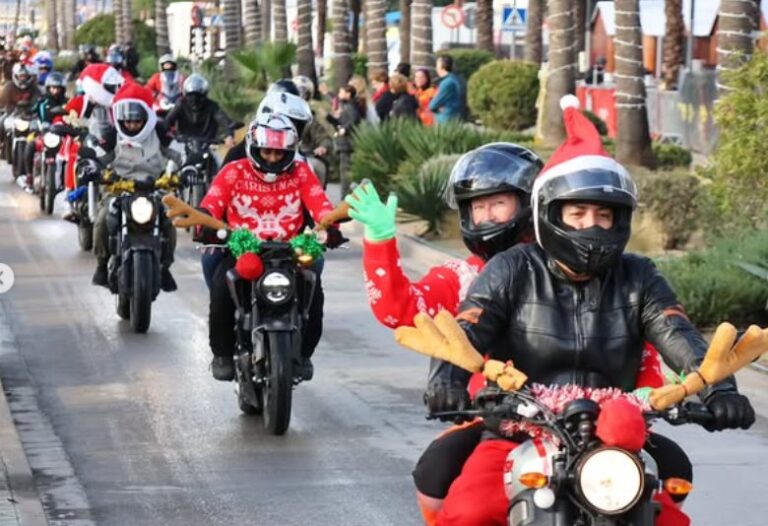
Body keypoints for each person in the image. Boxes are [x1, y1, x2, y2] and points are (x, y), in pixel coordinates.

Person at [426, 97, 755, 526]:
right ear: (550, 215)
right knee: (470, 512)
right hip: (518, 430)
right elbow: (467, 330)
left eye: (603, 214)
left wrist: (720, 392)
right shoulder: (512, 268)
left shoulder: (639, 276)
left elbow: (680, 336)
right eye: (577, 213)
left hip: (616, 437)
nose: (591, 225)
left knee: (669, 519)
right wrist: (446, 383)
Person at [346, 141, 665, 524]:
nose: (485, 217)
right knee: (438, 476)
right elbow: (403, 313)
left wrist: (656, 393)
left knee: (672, 480)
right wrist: (380, 241)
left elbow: (643, 337)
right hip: (500, 415)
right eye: (477, 206)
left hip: (607, 420)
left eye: (497, 204)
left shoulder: (616, 273)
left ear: (532, 203)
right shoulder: (463, 275)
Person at [200, 113, 340, 381]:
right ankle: (222, 354)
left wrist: (330, 226)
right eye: (267, 151)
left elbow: (320, 203)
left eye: (280, 153)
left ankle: (304, 354)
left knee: (314, 293)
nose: (273, 158)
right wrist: (205, 222)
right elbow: (212, 201)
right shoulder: (233, 171)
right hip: (243, 251)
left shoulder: (301, 172)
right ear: (254, 147)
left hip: (290, 252)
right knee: (221, 289)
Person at [87, 83, 180, 291]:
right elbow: (100, 157)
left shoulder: (159, 131)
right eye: (127, 121)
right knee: (102, 220)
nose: (131, 125)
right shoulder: (113, 135)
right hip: (119, 189)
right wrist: (92, 166)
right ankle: (101, 265)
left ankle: (165, 267)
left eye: (136, 120)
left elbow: (176, 153)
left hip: (155, 188)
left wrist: (188, 166)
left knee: (169, 222)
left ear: (146, 117)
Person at [164, 73, 236, 147]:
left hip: (208, 146)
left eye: (198, 96)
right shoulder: (180, 104)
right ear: (185, 94)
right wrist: (166, 132)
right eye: (190, 95)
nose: (194, 99)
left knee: (222, 159)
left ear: (204, 94)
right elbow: (167, 121)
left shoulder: (212, 106)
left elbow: (226, 122)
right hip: (183, 145)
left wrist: (229, 136)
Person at [327, 84, 362, 196]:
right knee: (344, 170)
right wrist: (331, 118)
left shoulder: (350, 107)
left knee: (345, 171)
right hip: (344, 143)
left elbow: (353, 120)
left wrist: (344, 129)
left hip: (347, 144)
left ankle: (345, 196)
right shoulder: (346, 106)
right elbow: (341, 122)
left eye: (341, 92)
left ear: (348, 94)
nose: (339, 95)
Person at [429, 55, 463, 124]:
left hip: (445, 120)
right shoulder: (454, 79)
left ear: (442, 66)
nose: (436, 68)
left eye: (437, 65)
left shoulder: (447, 82)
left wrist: (436, 106)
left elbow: (433, 105)